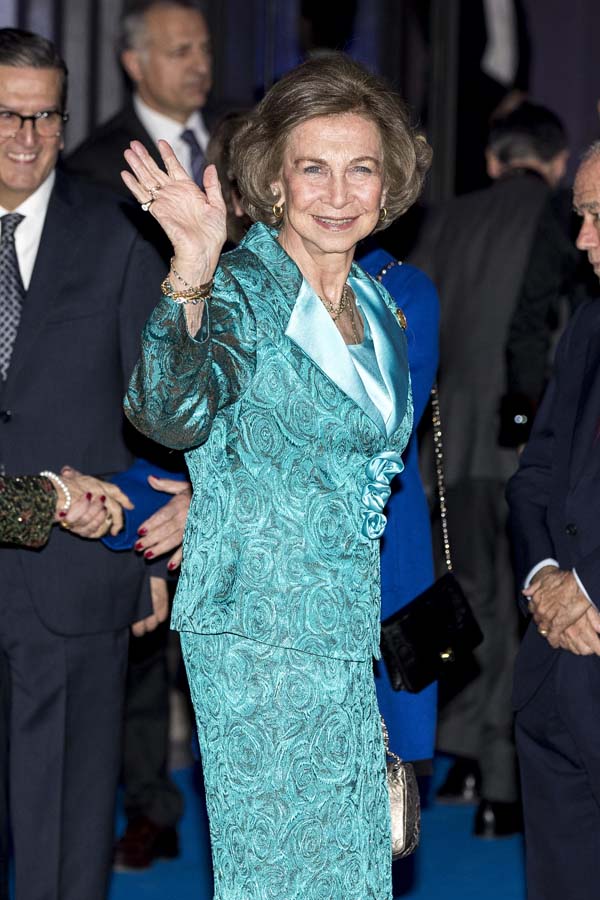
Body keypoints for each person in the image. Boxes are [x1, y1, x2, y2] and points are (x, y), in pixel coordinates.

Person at [122, 52, 431, 900]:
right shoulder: (241, 290)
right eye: (314, 168)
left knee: (350, 864)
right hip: (256, 630)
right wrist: (190, 265)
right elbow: (169, 412)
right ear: (276, 180)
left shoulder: (381, 304)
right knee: (279, 871)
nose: (339, 193)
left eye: (360, 168)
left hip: (339, 627)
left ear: (387, 182)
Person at [0, 27, 171, 900]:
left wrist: (143, 547)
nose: (27, 138)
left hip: (73, 577)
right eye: (6, 116)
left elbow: (153, 417)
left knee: (65, 839)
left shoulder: (115, 233)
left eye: (45, 117)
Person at [66, 1, 214, 863]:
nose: (199, 62)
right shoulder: (89, 163)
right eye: (180, 48)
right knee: (139, 625)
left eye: (204, 47)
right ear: (134, 61)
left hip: (229, 410)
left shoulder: (238, 145)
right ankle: (149, 800)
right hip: (130, 417)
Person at [408, 100, 569, 837]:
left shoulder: (444, 219)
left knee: (466, 599)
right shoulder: (564, 214)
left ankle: (462, 756)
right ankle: (503, 788)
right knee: (524, 608)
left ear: (493, 160)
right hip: (527, 450)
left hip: (448, 450)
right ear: (558, 162)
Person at [506, 142, 600, 900]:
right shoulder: (587, 327)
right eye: (581, 217)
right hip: (556, 671)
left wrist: (591, 590)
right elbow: (534, 476)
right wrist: (543, 580)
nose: (582, 240)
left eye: (599, 218)